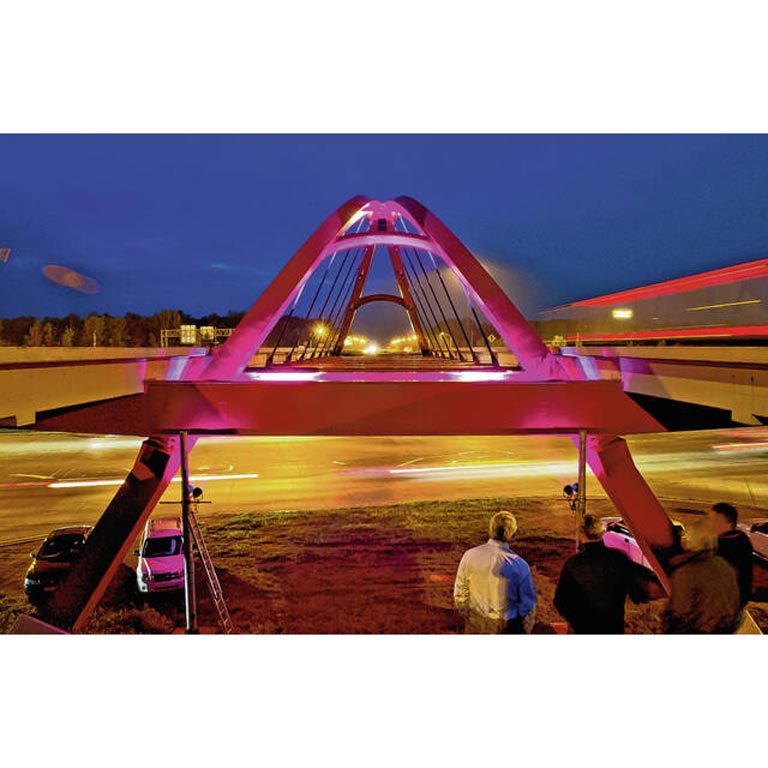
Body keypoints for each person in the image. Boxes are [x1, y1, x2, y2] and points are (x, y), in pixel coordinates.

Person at [553, 514, 660, 634]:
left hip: (583, 629)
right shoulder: (618, 558)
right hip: (612, 628)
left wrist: (577, 620)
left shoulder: (572, 564)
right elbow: (641, 589)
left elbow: (560, 601)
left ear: (582, 534)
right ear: (602, 533)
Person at [453, 510, 536, 634]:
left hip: (475, 622)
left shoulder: (469, 555)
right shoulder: (519, 564)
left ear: (490, 529)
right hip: (506, 626)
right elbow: (527, 606)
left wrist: (470, 618)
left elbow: (460, 594)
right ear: (513, 534)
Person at [663, 521, 742, 634]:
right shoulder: (724, 565)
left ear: (692, 541)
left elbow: (680, 612)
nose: (683, 537)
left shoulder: (687, 572)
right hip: (725, 627)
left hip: (701, 629)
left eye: (686, 535)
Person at [706, 502, 753, 609]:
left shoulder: (727, 545)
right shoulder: (741, 538)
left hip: (725, 606)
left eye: (715, 520)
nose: (710, 524)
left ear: (729, 522)